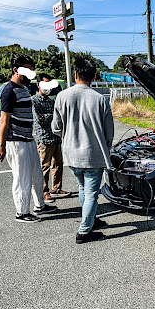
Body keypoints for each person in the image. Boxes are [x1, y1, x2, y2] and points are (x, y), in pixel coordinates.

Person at [52, 56, 114, 244]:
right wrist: (106, 147)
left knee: (82, 188)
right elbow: (109, 132)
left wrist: (68, 135)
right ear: (93, 77)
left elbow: (56, 127)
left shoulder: (62, 96)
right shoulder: (99, 99)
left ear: (76, 74)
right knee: (91, 193)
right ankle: (84, 231)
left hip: (71, 154)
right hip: (92, 154)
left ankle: (91, 219)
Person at [0, 53, 57, 222]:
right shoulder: (8, 91)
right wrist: (1, 145)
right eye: (27, 71)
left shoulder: (23, 88)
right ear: (16, 70)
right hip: (16, 141)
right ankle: (22, 212)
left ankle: (40, 205)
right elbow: (4, 120)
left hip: (28, 139)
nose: (31, 74)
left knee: (36, 174)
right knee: (22, 177)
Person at [32, 73, 70, 202]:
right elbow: (39, 120)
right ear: (38, 85)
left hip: (56, 137)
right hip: (43, 138)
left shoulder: (52, 101)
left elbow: (59, 118)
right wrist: (52, 116)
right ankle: (44, 191)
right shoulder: (34, 101)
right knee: (44, 166)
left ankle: (57, 188)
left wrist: (49, 116)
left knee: (58, 164)